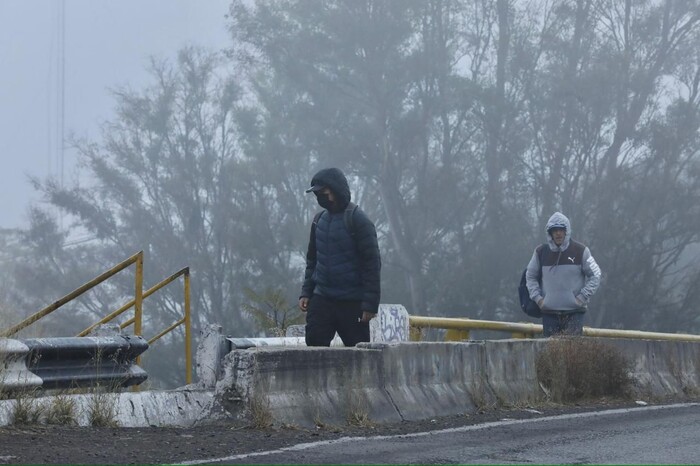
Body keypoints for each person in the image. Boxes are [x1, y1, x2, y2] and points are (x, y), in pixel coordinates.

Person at [299, 167, 381, 346]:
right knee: (313, 348)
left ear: (336, 191)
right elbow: (312, 260)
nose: (321, 198)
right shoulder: (318, 220)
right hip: (322, 298)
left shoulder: (358, 220)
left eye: (324, 193)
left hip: (352, 302)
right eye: (318, 194)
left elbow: (372, 264)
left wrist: (370, 304)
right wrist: (306, 292)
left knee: (358, 356)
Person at [525, 211, 601, 337]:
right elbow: (530, 276)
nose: (558, 233)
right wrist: (538, 299)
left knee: (573, 354)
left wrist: (582, 297)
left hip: (574, 313)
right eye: (554, 230)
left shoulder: (581, 250)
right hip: (549, 314)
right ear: (550, 233)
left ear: (567, 231)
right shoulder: (540, 252)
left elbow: (596, 274)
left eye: (561, 229)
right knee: (550, 355)